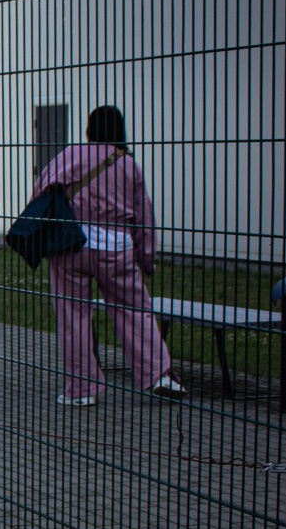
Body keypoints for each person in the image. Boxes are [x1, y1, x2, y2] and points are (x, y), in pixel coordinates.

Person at [34, 106, 184, 405]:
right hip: (117, 248)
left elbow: (40, 193)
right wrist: (146, 258)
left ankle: (81, 390)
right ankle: (159, 375)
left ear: (89, 128)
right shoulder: (129, 164)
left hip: (70, 244)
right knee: (135, 311)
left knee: (72, 316)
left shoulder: (69, 155)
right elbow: (143, 216)